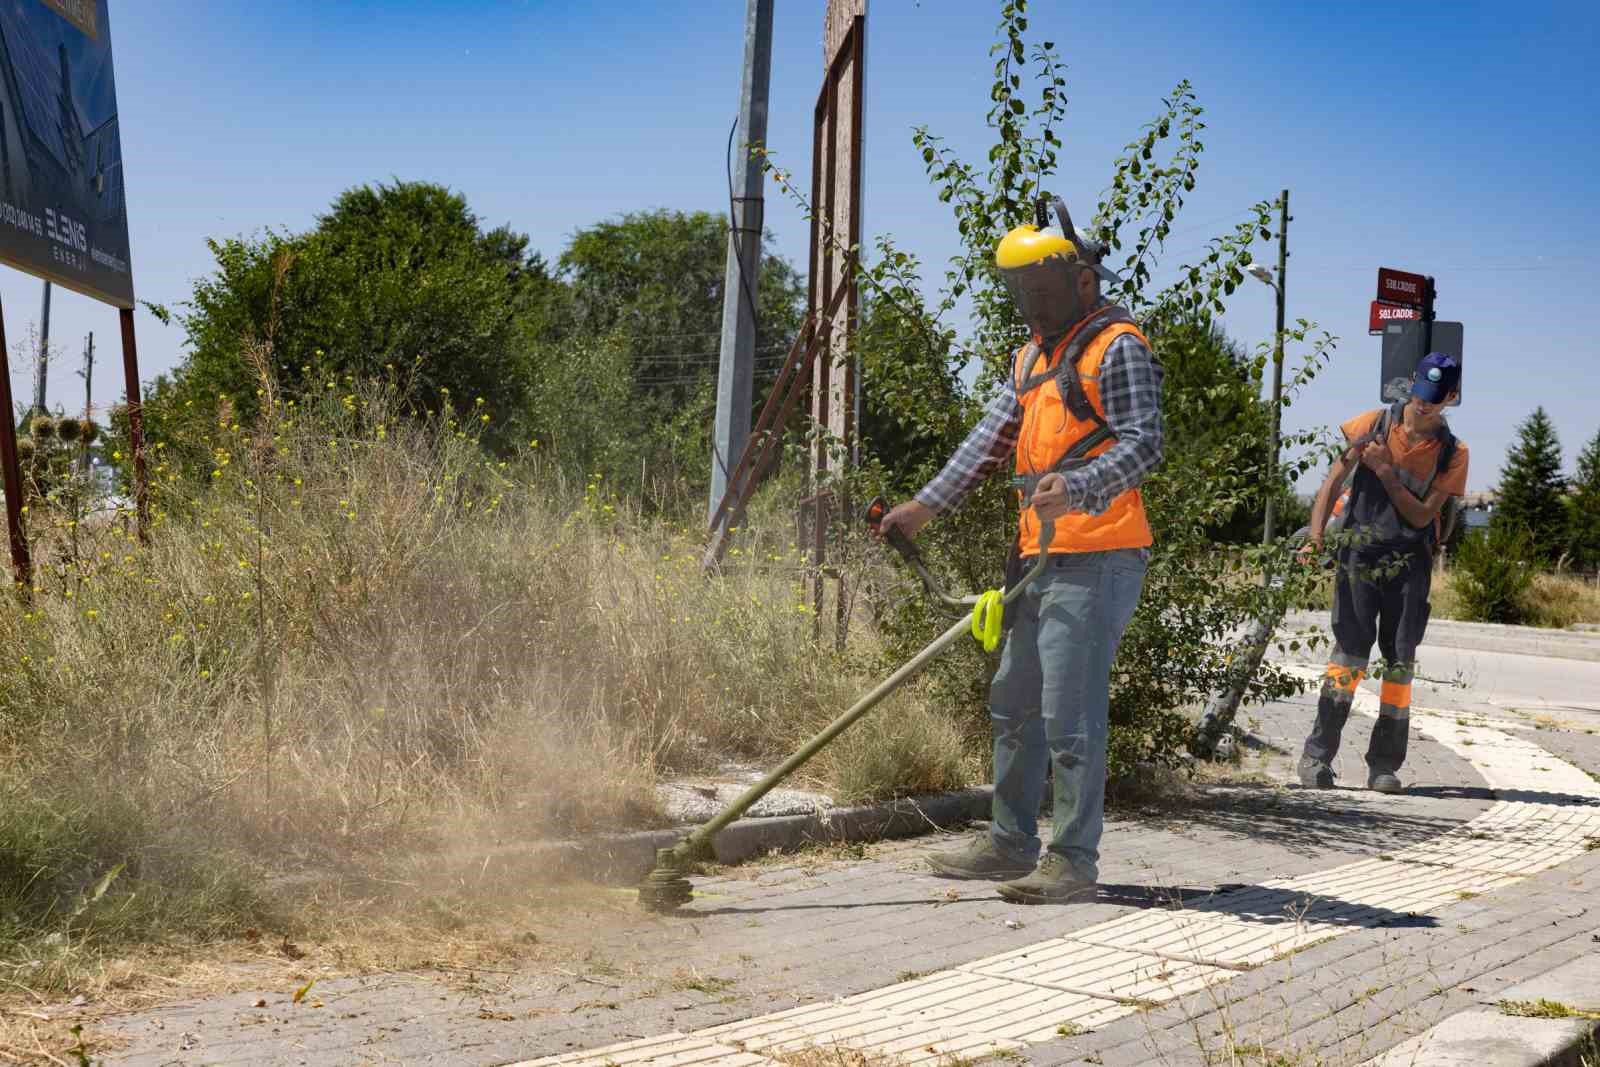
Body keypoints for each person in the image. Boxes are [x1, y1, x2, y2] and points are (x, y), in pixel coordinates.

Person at [876, 203, 1163, 904]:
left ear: (1083, 283)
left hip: (1098, 557)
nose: (1030, 303)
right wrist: (922, 508)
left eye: (1042, 289)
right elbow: (988, 440)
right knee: (1015, 702)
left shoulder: (1116, 346)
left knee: (1071, 710)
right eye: (1021, 290)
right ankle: (1009, 843)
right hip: (1039, 557)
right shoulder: (1034, 356)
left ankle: (1072, 860)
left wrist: (1084, 485)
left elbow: (1145, 443)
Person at [1297, 352, 1467, 793]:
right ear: (1412, 383)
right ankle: (1316, 758)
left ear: (1451, 397)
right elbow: (1333, 482)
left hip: (1410, 564)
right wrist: (1316, 537)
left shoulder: (1453, 454)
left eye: (1436, 398)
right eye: (1420, 393)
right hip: (1359, 555)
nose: (1424, 404)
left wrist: (1388, 473)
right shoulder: (1370, 424)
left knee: (1399, 663)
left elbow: (1421, 515)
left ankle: (1384, 766)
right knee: (1349, 655)